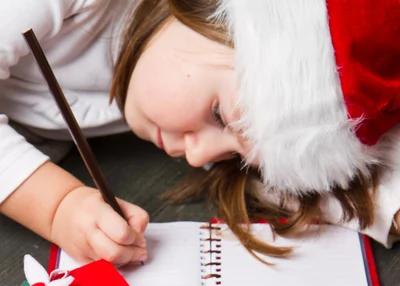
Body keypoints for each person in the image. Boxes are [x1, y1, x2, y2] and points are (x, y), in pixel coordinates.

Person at [1, 0, 399, 267]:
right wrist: (58, 205)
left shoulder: (189, 67)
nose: (197, 157)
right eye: (219, 116)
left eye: (236, 155)